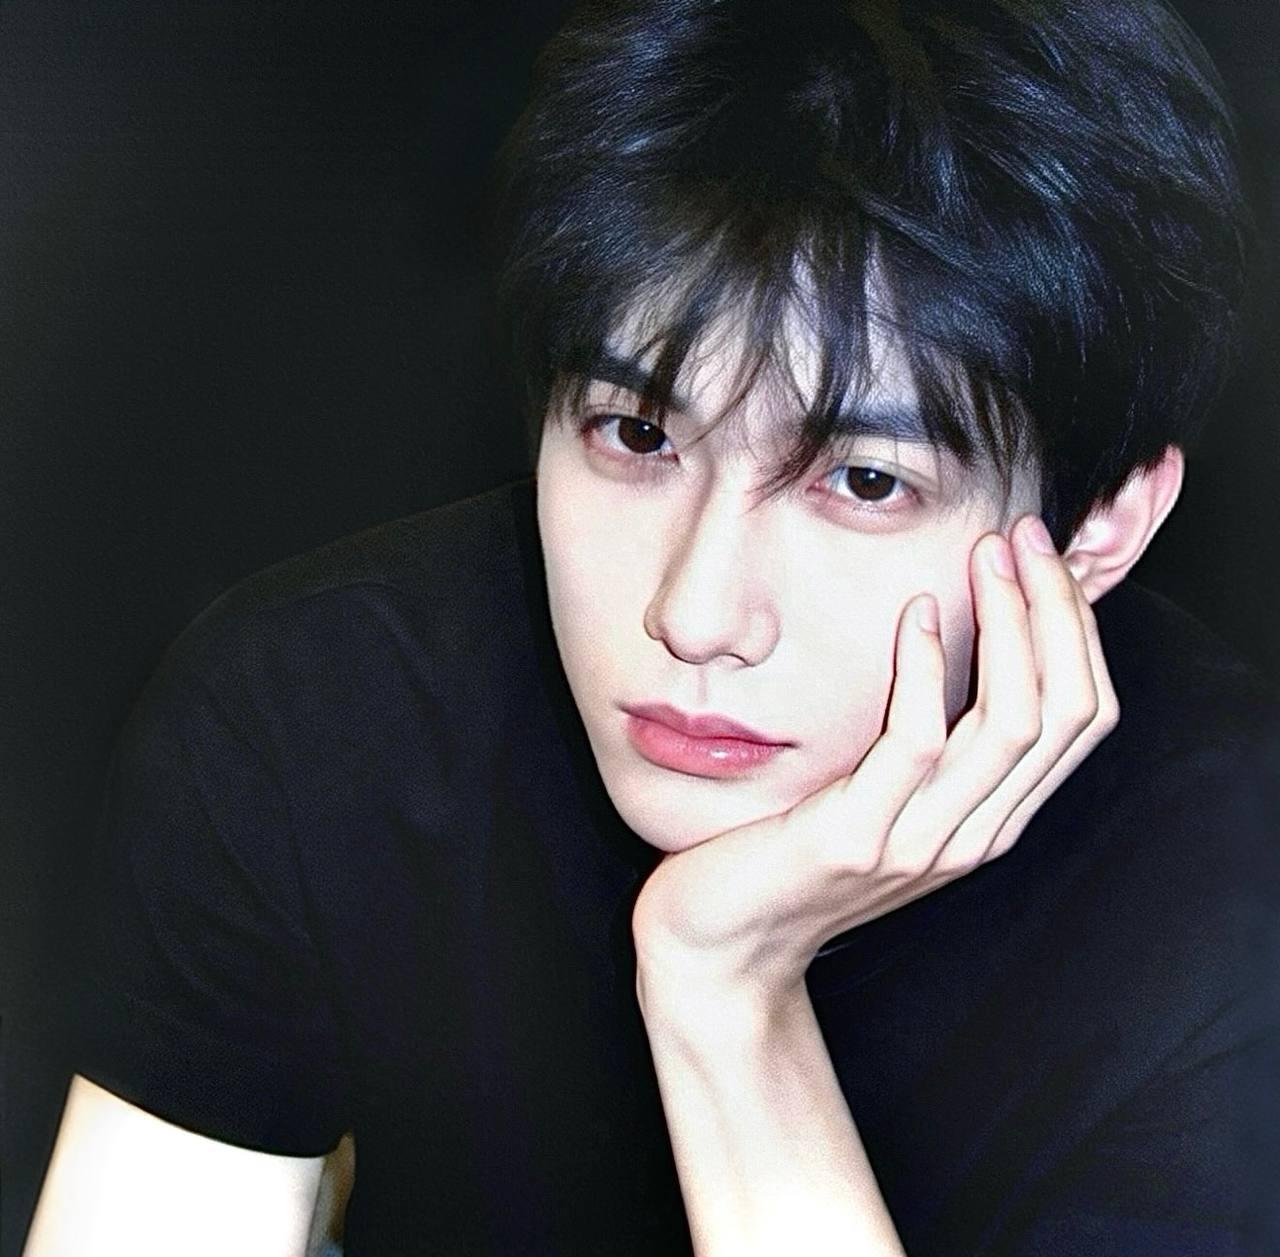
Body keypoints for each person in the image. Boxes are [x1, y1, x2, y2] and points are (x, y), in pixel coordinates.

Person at [22, 0, 1279, 1254]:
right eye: (634, 433)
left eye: (863, 481)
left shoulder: (1228, 886)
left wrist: (723, 990)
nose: (693, 613)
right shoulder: (321, 711)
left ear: (1097, 530)